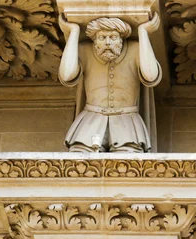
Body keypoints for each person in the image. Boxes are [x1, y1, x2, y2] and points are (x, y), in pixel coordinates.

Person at [58, 13, 162, 153]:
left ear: (121, 40)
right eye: (102, 37)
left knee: (127, 165)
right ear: (94, 40)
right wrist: (74, 32)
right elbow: (66, 74)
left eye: (113, 37)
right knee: (80, 161)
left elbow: (151, 75)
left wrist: (143, 32)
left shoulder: (135, 49)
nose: (107, 42)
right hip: (91, 120)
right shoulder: (85, 50)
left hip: (127, 122)